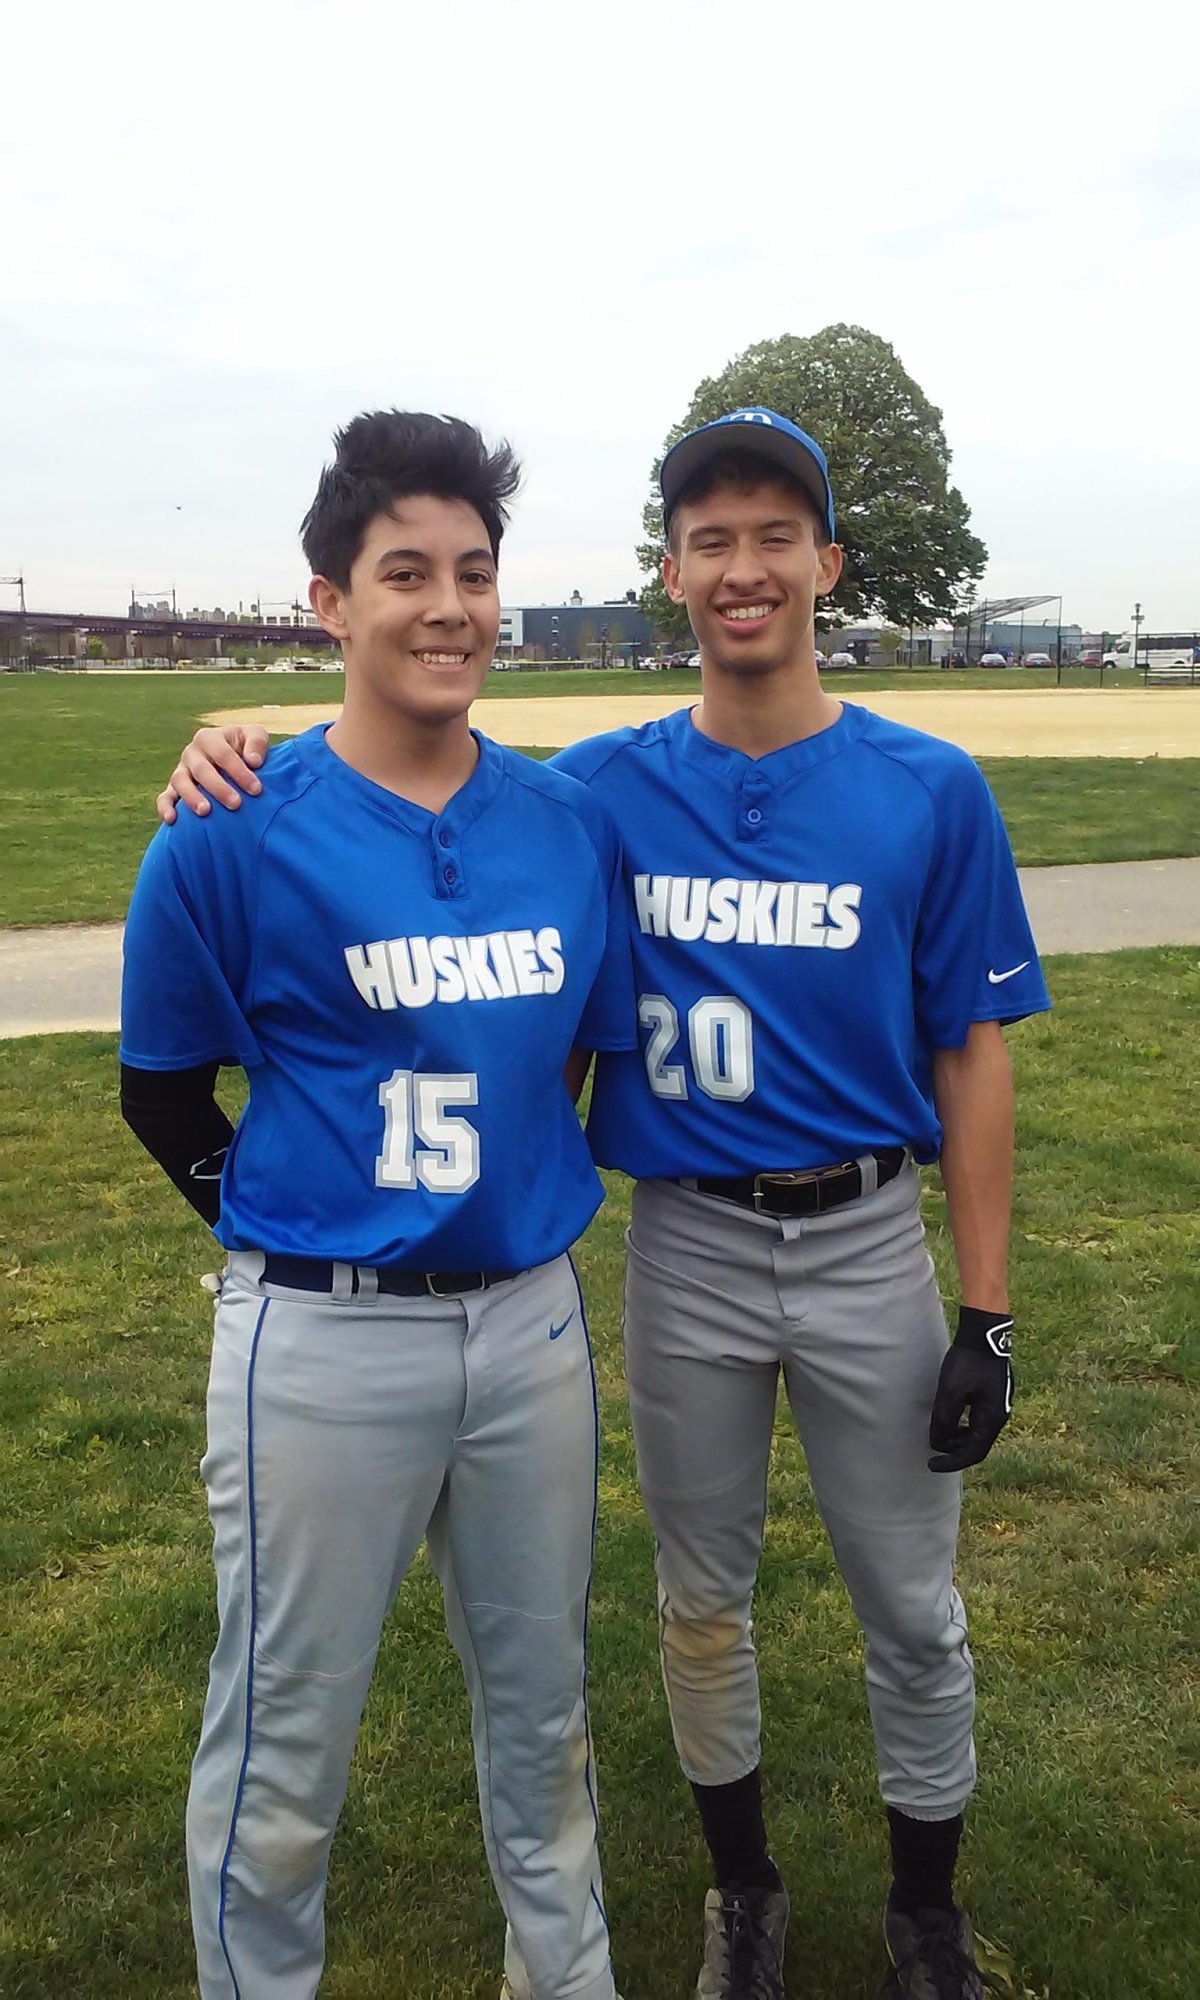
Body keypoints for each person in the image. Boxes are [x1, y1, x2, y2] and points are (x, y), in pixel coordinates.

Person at [159, 405, 1051, 2000]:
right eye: (712, 536)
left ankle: (925, 1912)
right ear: (672, 570)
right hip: (683, 1238)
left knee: (903, 1606)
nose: (745, 563)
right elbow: (414, 752)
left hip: (848, 1237)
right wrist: (248, 728)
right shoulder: (610, 792)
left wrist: (989, 1303)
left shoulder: (912, 787)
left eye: (778, 532)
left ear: (828, 561)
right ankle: (741, 1895)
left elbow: (971, 1049)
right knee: (692, 1600)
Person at [122, 410, 635, 2000]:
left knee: (546, 1721)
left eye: (473, 572)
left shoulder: (567, 822)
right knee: (284, 1744)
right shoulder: (228, 835)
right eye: (403, 572)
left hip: (530, 1331)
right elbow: (162, 1092)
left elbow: (566, 1074)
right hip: (323, 1347)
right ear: (330, 600)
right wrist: (278, 1218)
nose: (449, 607)